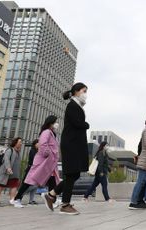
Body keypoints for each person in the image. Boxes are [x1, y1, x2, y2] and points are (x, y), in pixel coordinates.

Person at [41, 83, 89, 215]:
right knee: (72, 173)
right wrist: (87, 124)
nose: (86, 94)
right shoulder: (72, 106)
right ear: (76, 92)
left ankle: (51, 195)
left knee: (74, 174)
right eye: (84, 91)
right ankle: (65, 204)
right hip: (71, 144)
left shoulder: (77, 106)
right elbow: (78, 123)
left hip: (74, 144)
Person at [13, 116, 61, 208]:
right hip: (43, 161)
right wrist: (48, 153)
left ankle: (53, 200)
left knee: (52, 180)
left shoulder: (52, 133)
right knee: (30, 180)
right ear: (51, 122)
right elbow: (43, 144)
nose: (57, 124)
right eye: (55, 122)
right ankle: (17, 199)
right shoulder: (46, 132)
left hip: (50, 162)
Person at [0, 138, 22, 207]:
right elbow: (6, 159)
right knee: (0, 186)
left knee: (14, 186)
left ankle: (12, 201)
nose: (21, 143)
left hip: (14, 174)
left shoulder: (17, 152)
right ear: (15, 142)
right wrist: (8, 168)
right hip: (5, 172)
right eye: (20, 142)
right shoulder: (10, 150)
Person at [22, 139, 39, 205]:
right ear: (35, 144)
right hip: (31, 169)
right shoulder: (32, 151)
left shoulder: (37, 151)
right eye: (38, 143)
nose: (40, 144)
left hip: (36, 170)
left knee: (35, 185)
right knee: (32, 185)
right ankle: (21, 194)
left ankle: (31, 200)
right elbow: (34, 160)